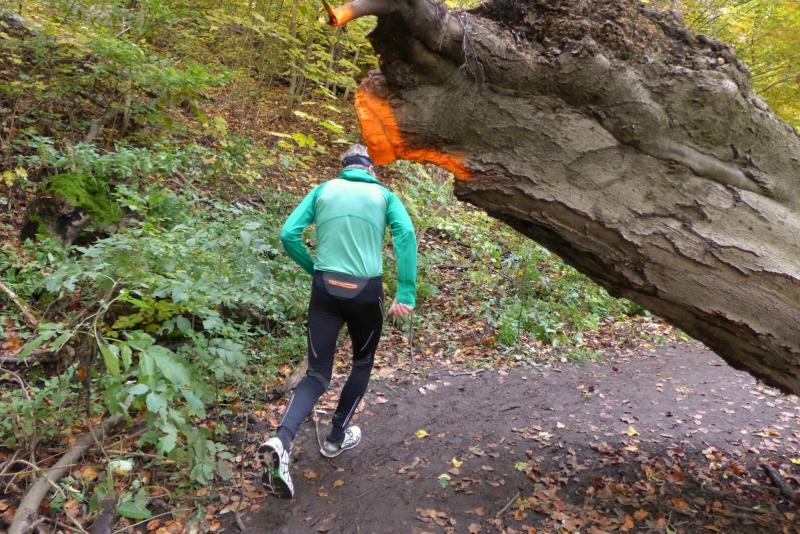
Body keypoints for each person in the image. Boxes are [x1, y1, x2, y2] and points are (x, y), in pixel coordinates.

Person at [257, 144, 417, 498]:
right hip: (366, 293)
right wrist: (405, 291)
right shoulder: (384, 195)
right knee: (362, 363)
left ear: (344, 167)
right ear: (371, 169)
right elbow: (405, 235)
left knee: (317, 374)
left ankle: (281, 441)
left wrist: (313, 268)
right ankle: (335, 438)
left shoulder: (323, 190)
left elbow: (288, 234)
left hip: (325, 290)